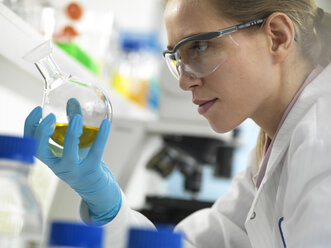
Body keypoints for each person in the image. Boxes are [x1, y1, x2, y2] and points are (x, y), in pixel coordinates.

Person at [24, 0, 331, 247]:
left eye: (198, 48)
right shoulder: (271, 149)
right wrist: (109, 209)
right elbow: (195, 243)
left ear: (277, 36)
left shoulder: (322, 143)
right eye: (176, 58)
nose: (184, 81)